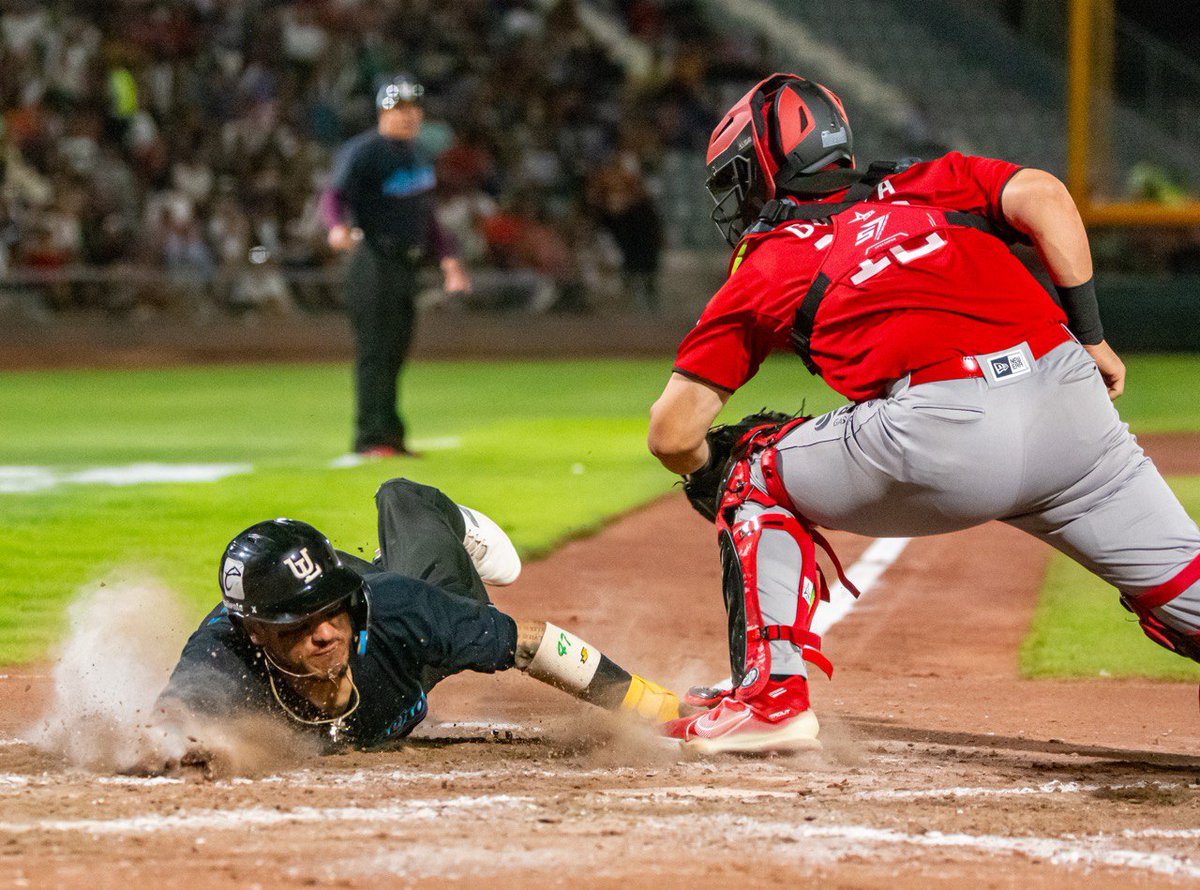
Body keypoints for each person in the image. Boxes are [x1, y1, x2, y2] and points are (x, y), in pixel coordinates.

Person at [646, 73, 1200, 754]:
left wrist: (710, 477)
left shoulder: (769, 261)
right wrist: (1091, 335)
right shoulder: (926, 179)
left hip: (948, 429)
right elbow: (1045, 196)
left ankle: (771, 698)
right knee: (1186, 585)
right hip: (1073, 406)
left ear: (764, 162)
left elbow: (672, 432)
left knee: (752, 468)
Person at [152, 477, 678, 765]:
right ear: (254, 631)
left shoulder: (399, 612)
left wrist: (657, 707)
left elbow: (529, 642)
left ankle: (449, 523)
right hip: (377, 601)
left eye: (330, 611)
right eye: (296, 625)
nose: (325, 633)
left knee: (404, 499)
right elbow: (169, 720)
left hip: (410, 631)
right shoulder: (225, 653)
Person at [321, 75, 471, 457]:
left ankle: (390, 435)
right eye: (398, 108)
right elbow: (334, 195)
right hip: (373, 259)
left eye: (413, 108)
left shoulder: (418, 153)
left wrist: (449, 260)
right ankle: (370, 437)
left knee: (395, 350)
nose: (407, 116)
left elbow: (426, 216)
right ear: (382, 112)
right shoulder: (365, 151)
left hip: (406, 264)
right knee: (375, 351)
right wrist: (336, 227)